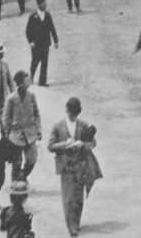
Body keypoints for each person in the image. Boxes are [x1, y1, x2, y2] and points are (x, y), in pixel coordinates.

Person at [48, 97, 101, 238]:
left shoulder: (83, 125)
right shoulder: (58, 126)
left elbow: (93, 143)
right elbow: (50, 146)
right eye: (71, 113)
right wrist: (65, 144)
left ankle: (76, 222)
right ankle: (71, 227)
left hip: (81, 165)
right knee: (68, 198)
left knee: (78, 197)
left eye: (75, 114)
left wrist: (82, 145)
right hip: (66, 166)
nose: (73, 116)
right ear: (67, 111)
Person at [3, 71, 42, 181]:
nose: (29, 82)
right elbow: (6, 118)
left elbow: (36, 114)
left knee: (32, 159)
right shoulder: (11, 98)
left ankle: (23, 176)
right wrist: (6, 136)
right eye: (26, 80)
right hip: (15, 136)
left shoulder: (31, 96)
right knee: (17, 162)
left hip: (30, 134)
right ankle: (15, 182)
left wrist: (39, 130)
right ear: (20, 83)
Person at [24, 0, 58, 86]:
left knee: (44, 62)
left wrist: (56, 41)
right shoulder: (33, 16)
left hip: (45, 43)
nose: (45, 5)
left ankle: (42, 81)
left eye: (45, 3)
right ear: (39, 5)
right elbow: (28, 30)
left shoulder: (47, 15)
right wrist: (30, 41)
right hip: (36, 43)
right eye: (43, 3)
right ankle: (31, 77)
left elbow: (52, 28)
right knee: (35, 61)